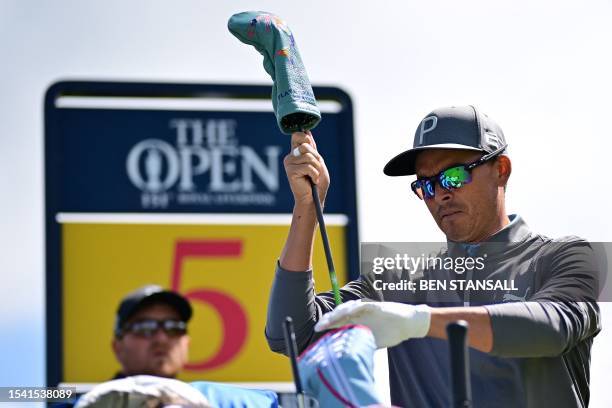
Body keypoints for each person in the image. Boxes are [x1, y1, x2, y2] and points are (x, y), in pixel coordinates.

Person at [265, 105, 602, 407]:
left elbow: (552, 328)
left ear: (501, 169)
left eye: (454, 175)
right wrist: (308, 208)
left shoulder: (566, 256)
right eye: (425, 185)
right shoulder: (399, 279)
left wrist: (420, 321)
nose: (439, 194)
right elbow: (290, 334)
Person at [112, 284, 192, 379]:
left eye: (174, 328)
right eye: (144, 328)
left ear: (187, 343)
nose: (161, 339)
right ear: (117, 347)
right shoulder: (96, 394)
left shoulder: (201, 394)